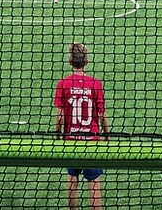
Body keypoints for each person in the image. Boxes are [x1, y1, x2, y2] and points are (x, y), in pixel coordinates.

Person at [54, 42, 109, 210]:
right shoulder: (95, 84)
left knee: (72, 179)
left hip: (71, 141)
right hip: (92, 142)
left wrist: (58, 136)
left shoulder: (63, 83)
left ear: (70, 62)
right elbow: (102, 115)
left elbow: (59, 117)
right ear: (87, 61)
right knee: (94, 184)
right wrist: (107, 135)